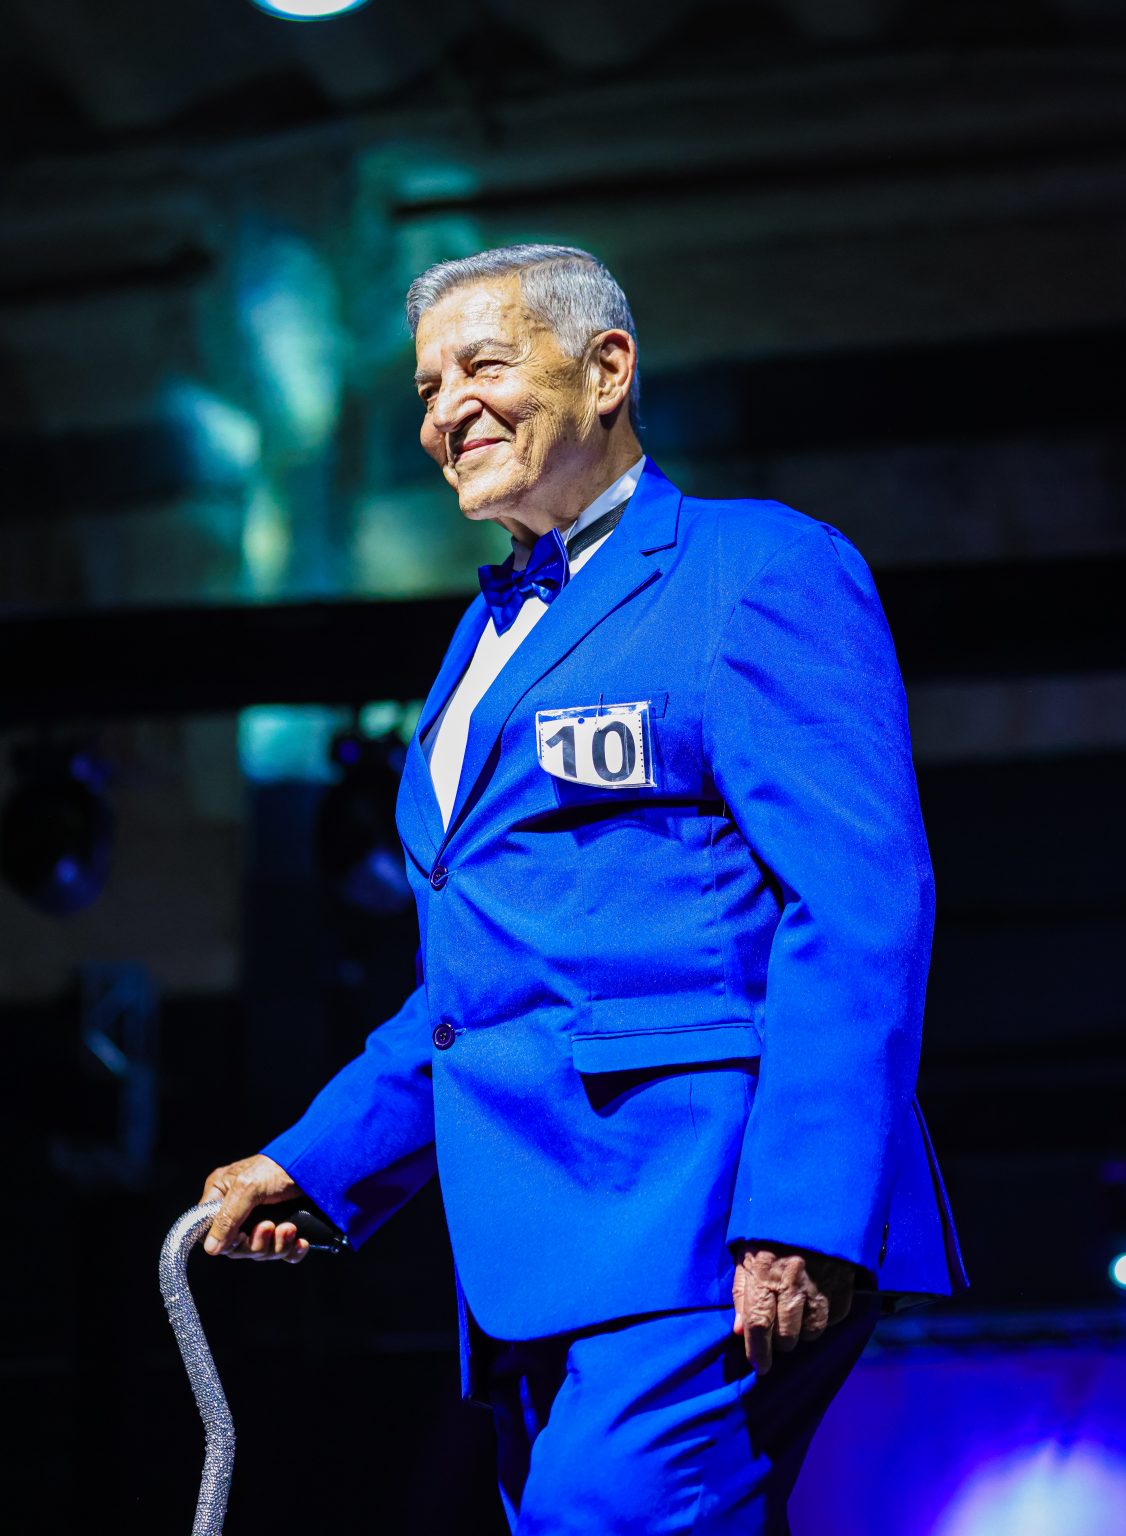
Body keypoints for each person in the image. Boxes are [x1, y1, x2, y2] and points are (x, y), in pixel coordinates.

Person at [200, 243, 966, 1534]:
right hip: (534, 1247)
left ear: (607, 368)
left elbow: (856, 908)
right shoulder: (479, 641)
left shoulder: (754, 568)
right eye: (428, 387)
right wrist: (318, 1162)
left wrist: (802, 1212)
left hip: (705, 1212)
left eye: (482, 367)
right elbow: (474, 990)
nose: (446, 411)